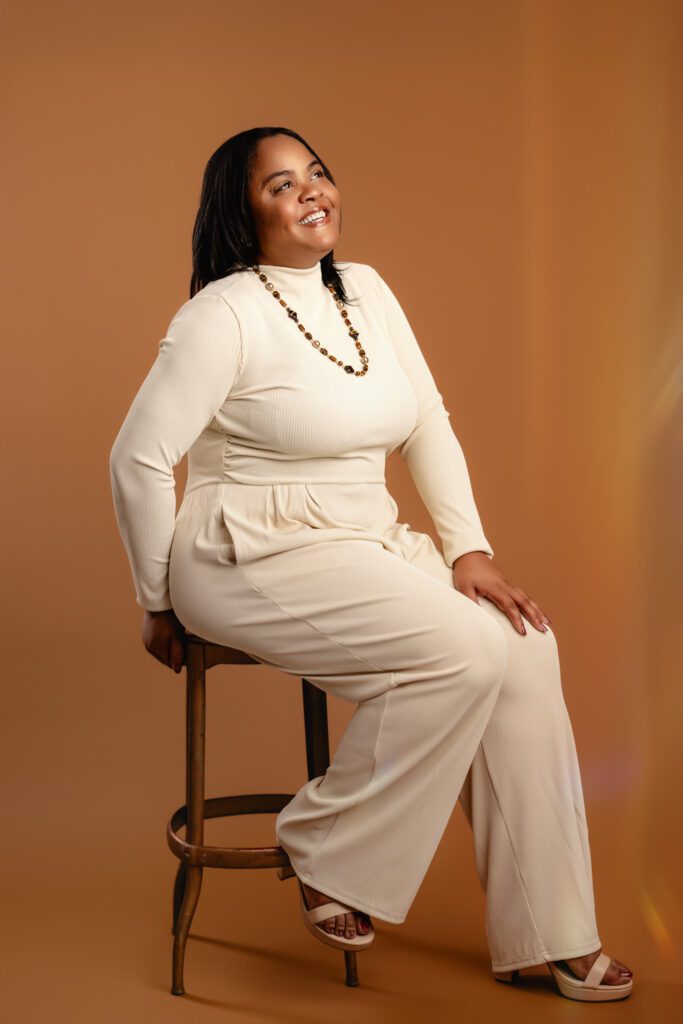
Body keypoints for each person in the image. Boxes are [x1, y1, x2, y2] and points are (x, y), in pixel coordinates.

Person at [109, 126, 633, 1001]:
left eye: (316, 173)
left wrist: (467, 549)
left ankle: (549, 931)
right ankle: (323, 844)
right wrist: (157, 596)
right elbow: (137, 459)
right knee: (465, 653)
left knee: (522, 646)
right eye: (281, 185)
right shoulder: (219, 314)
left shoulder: (368, 292)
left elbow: (426, 419)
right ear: (243, 218)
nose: (311, 192)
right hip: (245, 546)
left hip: (359, 535)